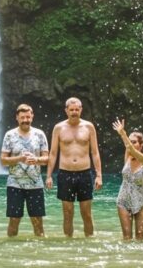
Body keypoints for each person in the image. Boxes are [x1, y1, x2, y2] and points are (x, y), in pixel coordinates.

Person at [45, 97, 102, 237]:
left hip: (85, 173)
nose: (74, 112)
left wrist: (99, 175)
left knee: (86, 213)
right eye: (71, 110)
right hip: (65, 173)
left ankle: (89, 241)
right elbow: (53, 153)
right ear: (66, 111)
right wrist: (48, 176)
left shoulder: (89, 127)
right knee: (67, 213)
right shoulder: (59, 128)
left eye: (77, 109)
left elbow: (95, 152)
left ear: (81, 110)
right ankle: (68, 242)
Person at [0, 103, 49, 237]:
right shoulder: (9, 135)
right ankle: (10, 251)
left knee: (38, 222)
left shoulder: (40, 134)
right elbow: (3, 160)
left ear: (32, 116)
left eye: (28, 117)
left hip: (36, 184)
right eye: (22, 117)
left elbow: (47, 158)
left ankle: (40, 252)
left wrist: (37, 160)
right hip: (14, 184)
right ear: (17, 117)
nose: (25, 120)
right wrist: (20, 158)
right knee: (14, 221)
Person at [111, 119, 143, 241]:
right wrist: (123, 135)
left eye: (134, 142)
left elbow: (134, 151)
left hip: (141, 201)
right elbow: (129, 148)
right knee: (127, 238)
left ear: (141, 145)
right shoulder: (127, 155)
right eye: (130, 142)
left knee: (140, 238)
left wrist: (123, 134)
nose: (130, 144)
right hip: (123, 199)